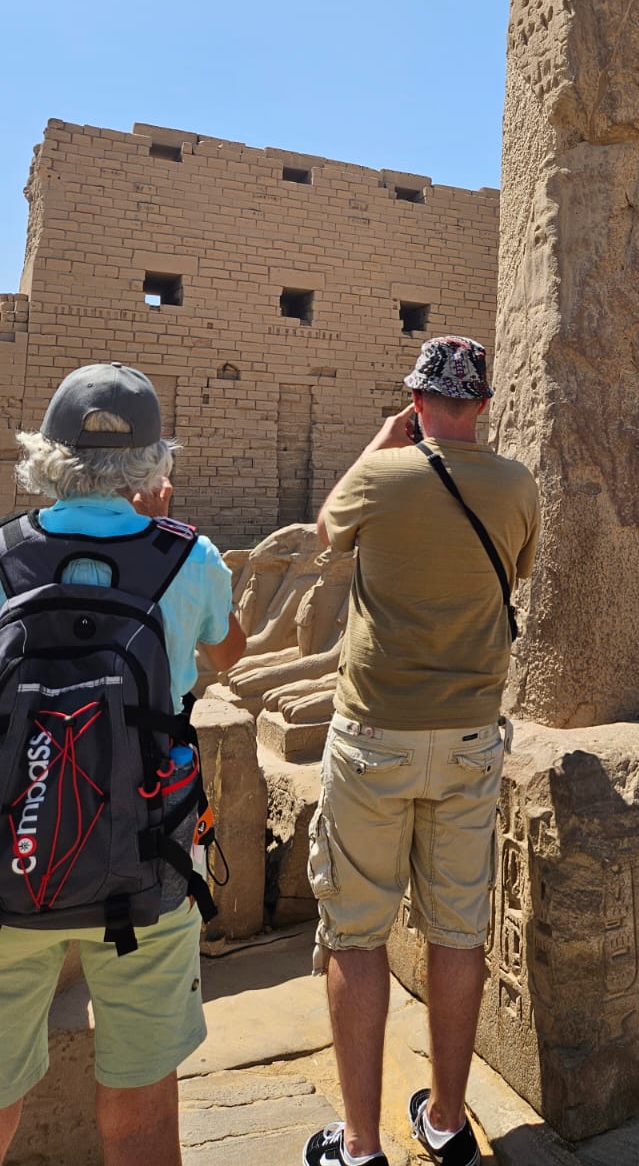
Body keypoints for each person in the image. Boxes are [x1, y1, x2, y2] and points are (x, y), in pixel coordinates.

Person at [0, 363, 246, 1166]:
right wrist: (160, 525)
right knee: (140, 1118)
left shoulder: (3, 554)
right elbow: (229, 651)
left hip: (9, 867)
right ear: (152, 463)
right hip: (146, 869)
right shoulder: (187, 555)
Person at [304, 336, 538, 1166]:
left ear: (417, 401)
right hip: (470, 733)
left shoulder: (381, 476)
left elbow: (326, 531)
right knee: (458, 931)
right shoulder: (516, 485)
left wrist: (382, 441)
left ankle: (361, 1144)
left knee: (355, 935)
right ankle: (444, 1120)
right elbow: (515, 571)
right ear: (484, 405)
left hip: (375, 732)